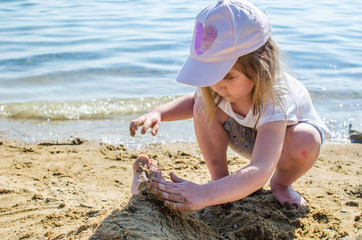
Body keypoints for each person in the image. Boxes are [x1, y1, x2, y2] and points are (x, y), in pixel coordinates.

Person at [129, 0, 329, 211]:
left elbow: (261, 167)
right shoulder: (219, 85)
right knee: (204, 106)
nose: (218, 86)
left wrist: (204, 193)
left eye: (228, 77)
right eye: (212, 75)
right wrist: (158, 112)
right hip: (245, 135)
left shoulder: (276, 93)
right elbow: (193, 101)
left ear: (263, 63)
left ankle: (281, 185)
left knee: (306, 140)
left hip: (282, 146)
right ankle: (220, 179)